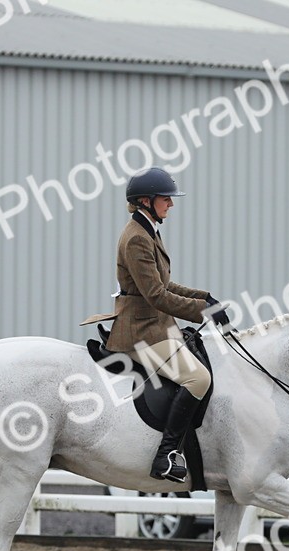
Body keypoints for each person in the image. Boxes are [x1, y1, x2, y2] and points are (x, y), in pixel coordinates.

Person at [105, 166, 230, 483]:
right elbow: (157, 296)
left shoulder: (148, 232)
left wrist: (206, 298)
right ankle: (165, 455)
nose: (171, 204)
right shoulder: (136, 239)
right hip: (140, 330)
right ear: (146, 201)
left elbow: (166, 284)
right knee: (198, 379)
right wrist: (202, 312)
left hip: (155, 324)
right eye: (166, 199)